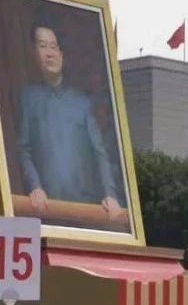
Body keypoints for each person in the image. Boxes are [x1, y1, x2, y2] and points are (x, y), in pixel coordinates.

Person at [18, 20, 122, 219]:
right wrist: (35, 187)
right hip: (46, 207)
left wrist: (110, 195)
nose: (49, 53)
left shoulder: (82, 103)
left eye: (53, 47)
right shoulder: (28, 98)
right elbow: (23, 149)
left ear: (62, 55)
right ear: (34, 54)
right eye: (42, 46)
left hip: (85, 208)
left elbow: (99, 153)